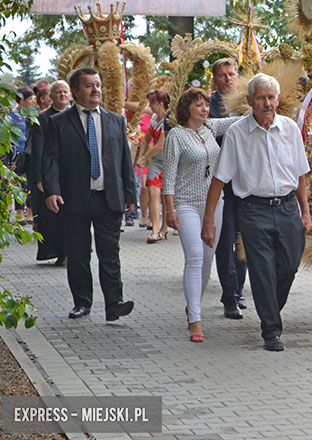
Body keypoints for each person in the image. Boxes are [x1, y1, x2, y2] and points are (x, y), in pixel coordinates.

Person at [202, 73, 312, 352]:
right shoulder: (237, 133)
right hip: (253, 211)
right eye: (261, 97)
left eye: (271, 97)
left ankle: (270, 309)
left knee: (289, 266)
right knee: (262, 271)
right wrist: (209, 220)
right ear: (250, 100)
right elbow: (219, 179)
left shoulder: (289, 128)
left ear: (278, 99)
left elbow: (300, 175)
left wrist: (305, 212)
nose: (267, 103)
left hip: (287, 208)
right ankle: (271, 330)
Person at [42, 67, 137, 321]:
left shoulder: (115, 120)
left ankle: (114, 303)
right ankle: (82, 302)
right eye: (89, 86)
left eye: (98, 85)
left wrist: (131, 193)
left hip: (108, 197)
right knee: (78, 252)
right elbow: (50, 160)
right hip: (74, 198)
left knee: (110, 252)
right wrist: (52, 191)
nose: (96, 90)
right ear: (75, 92)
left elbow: (124, 161)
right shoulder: (58, 122)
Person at [163, 88, 241, 342]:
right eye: (198, 105)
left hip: (214, 204)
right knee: (195, 257)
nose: (204, 109)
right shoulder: (176, 135)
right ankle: (195, 318)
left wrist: (262, 103)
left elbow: (238, 121)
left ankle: (192, 301)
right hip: (186, 204)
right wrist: (169, 208)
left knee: (207, 261)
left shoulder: (211, 128)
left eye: (206, 104)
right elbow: (169, 176)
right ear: (187, 109)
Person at [209, 57, 248, 319]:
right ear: (215, 79)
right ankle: (229, 296)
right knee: (225, 240)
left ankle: (239, 289)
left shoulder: (248, 100)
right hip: (219, 180)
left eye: (231, 73)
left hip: (246, 180)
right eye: (222, 75)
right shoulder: (207, 104)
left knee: (243, 239)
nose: (228, 79)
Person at [28, 80, 71, 265]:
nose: (62, 95)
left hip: (72, 173)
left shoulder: (76, 116)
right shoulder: (43, 119)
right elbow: (37, 149)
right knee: (53, 216)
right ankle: (59, 252)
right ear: (51, 96)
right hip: (49, 173)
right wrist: (39, 177)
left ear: (70, 95)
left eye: (65, 92)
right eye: (58, 92)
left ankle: (72, 250)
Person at [135, 89, 170, 243]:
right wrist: (142, 155)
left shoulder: (169, 119)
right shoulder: (155, 118)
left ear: (160, 104)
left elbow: (161, 145)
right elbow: (146, 138)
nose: (150, 106)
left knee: (166, 196)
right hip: (156, 162)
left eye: (152, 103)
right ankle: (155, 230)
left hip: (169, 161)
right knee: (153, 192)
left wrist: (145, 157)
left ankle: (165, 228)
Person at [8, 87, 35, 224]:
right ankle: (20, 213)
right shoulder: (10, 117)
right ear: (22, 100)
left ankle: (30, 213)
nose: (32, 102)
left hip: (29, 154)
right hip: (15, 155)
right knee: (19, 184)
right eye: (30, 99)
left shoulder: (32, 116)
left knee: (29, 183)